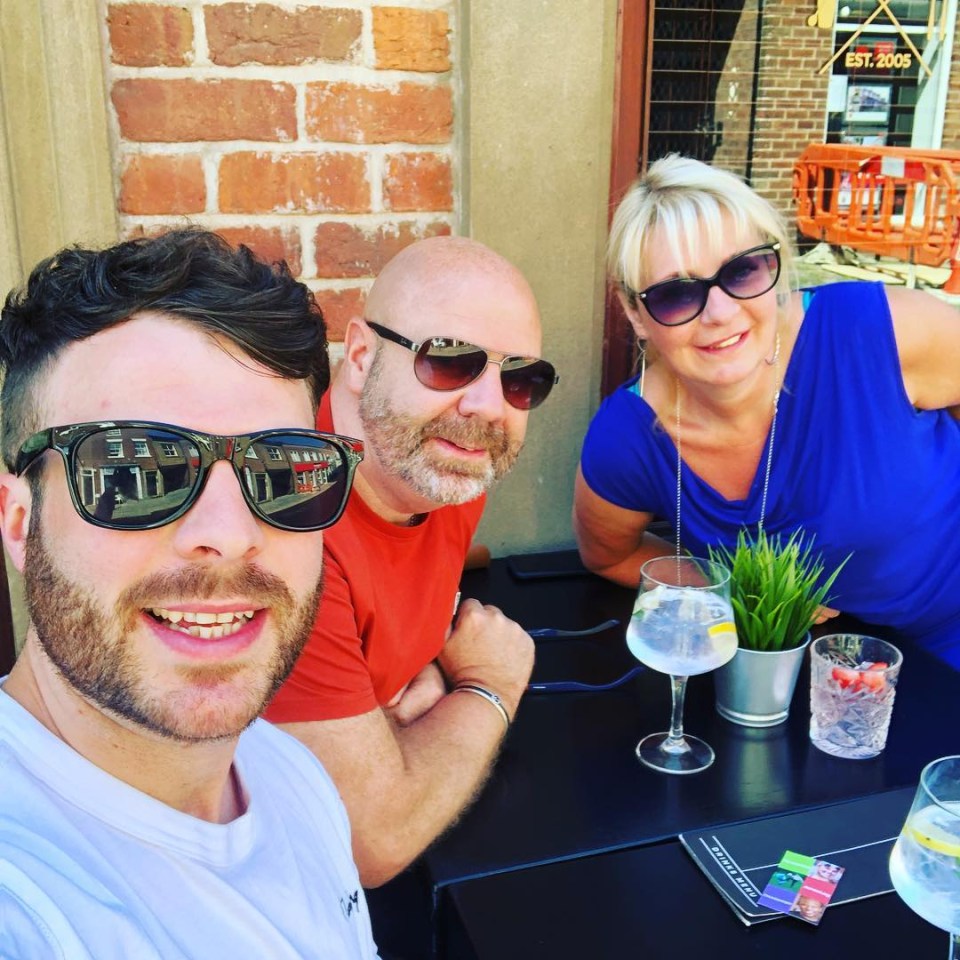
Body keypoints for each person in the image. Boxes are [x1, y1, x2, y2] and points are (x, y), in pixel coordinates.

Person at [0, 230, 380, 958]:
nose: (230, 535)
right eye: (135, 470)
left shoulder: (290, 774)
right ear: (21, 525)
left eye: (282, 470)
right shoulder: (27, 904)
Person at [574, 154, 960, 667]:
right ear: (634, 313)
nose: (720, 312)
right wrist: (729, 590)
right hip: (812, 666)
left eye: (743, 270)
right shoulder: (630, 437)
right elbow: (612, 555)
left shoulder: (879, 332)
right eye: (675, 294)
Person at [264, 236, 557, 886]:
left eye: (520, 379)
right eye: (449, 361)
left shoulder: (440, 464)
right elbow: (370, 841)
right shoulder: (291, 529)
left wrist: (418, 679)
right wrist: (487, 685)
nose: (487, 407)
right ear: (363, 355)